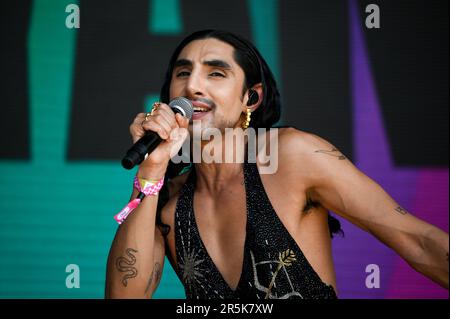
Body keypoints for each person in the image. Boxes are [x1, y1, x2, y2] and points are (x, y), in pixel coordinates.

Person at [105, 30, 449, 299]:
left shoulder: (294, 156)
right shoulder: (165, 201)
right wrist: (151, 170)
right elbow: (124, 295)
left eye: (216, 73)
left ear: (250, 98)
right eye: (183, 72)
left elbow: (417, 241)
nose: (192, 85)